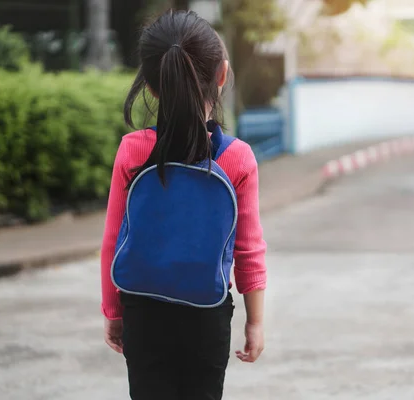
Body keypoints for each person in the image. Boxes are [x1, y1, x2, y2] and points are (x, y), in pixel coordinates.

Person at [99, 9, 267, 400]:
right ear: (222, 76)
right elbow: (249, 249)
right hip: (206, 317)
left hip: (142, 310)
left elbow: (112, 239)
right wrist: (255, 321)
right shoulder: (237, 158)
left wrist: (113, 310)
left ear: (153, 87)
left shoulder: (132, 150)